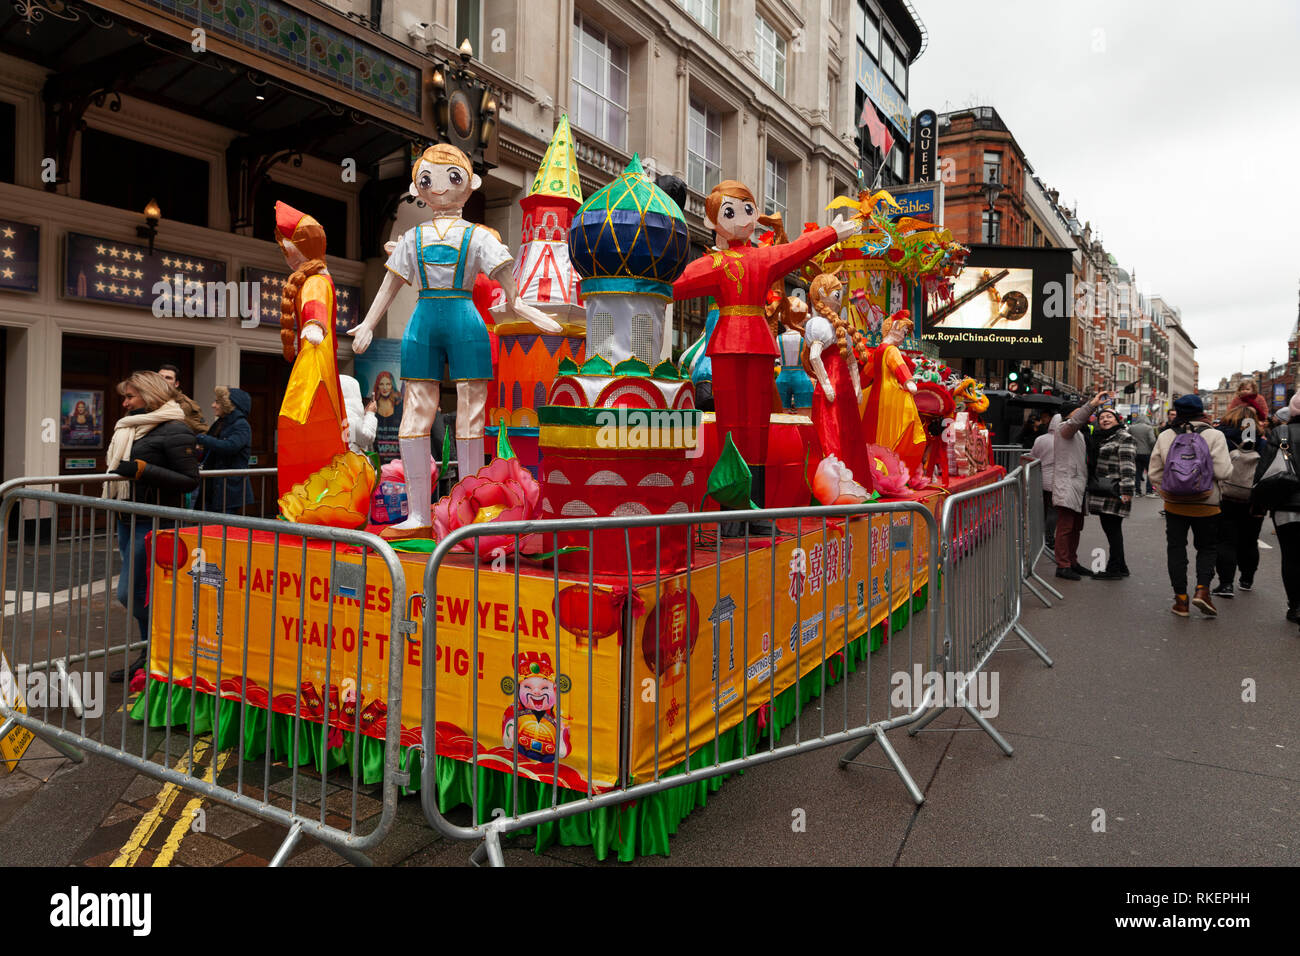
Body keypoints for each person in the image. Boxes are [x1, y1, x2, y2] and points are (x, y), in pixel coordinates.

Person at [351, 143, 561, 540]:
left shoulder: (480, 238)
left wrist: (530, 314)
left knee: (471, 415)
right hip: (424, 323)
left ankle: (468, 512)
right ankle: (418, 514)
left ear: (469, 185)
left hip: (465, 322)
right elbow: (389, 284)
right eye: (428, 178)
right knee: (414, 415)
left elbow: (510, 295)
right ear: (418, 187)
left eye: (452, 178)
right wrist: (367, 324)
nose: (441, 188)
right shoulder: (411, 238)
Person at [672, 179, 857, 518]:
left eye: (747, 209)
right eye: (731, 212)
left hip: (750, 345)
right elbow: (673, 284)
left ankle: (752, 511)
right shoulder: (715, 264)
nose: (743, 218)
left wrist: (831, 233)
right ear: (712, 223)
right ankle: (732, 511)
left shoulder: (759, 259)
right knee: (733, 426)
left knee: (757, 428)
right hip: (733, 346)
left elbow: (797, 249)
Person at [104, 371, 200, 683]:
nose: (125, 402)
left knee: (130, 593)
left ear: (150, 395)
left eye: (130, 396)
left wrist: (144, 470)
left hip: (155, 520)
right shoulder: (131, 428)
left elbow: (189, 479)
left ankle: (157, 652)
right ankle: (150, 656)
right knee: (142, 592)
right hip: (128, 517)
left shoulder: (175, 428)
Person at [1149, 394, 1232, 617]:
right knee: (1206, 548)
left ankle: (1181, 600)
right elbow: (1224, 471)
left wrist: (1167, 491)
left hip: (1175, 504)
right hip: (1207, 503)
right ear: (1201, 411)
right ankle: (1202, 591)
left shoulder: (1166, 435)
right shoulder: (1214, 435)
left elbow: (1155, 472)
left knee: (1176, 549)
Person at [1250, 391, 1300, 623]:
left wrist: (1258, 504)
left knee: (1290, 557)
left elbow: (1264, 470)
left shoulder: (1281, 433)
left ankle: (1295, 606)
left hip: (1286, 505)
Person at [1053, 391, 1111, 580]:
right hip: (1068, 483)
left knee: (1076, 526)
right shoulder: (1065, 428)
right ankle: (1063, 565)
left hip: (1078, 484)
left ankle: (1072, 561)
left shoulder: (1079, 432)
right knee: (1066, 527)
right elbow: (1076, 421)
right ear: (1072, 415)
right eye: (1079, 412)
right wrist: (1092, 404)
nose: (1084, 416)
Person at [1214, 404, 1265, 598]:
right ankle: (1246, 579)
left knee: (1226, 540)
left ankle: (1226, 584)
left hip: (1226, 495)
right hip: (1254, 498)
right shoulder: (1262, 441)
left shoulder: (1222, 437)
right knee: (1250, 540)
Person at [1086, 407, 1137, 579]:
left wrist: (1127, 491)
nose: (1105, 420)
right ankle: (1121, 566)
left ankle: (1114, 569)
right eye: (1102, 418)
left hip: (1115, 490)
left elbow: (1128, 466)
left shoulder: (1124, 437)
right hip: (1104, 490)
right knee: (1112, 530)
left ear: (1117, 420)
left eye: (1109, 417)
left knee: (1112, 530)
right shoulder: (1101, 438)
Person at [195, 386, 254, 514]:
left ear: (228, 405)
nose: (213, 405)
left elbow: (230, 446)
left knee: (222, 530)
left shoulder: (241, 425)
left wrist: (201, 438)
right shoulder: (221, 423)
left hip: (228, 489)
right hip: (215, 487)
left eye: (217, 402)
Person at [1030, 413, 1057, 550]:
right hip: (1055, 480)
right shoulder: (1064, 440)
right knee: (1053, 511)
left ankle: (1038, 536)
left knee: (1042, 509)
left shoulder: (1041, 439)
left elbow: (1032, 455)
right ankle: (1049, 538)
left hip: (1040, 478)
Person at [158, 363, 208, 435]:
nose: (163, 380)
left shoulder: (185, 405)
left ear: (176, 384)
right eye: (160, 377)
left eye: (168, 378)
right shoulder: (146, 398)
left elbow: (203, 430)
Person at [370, 370, 403, 464]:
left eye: (388, 384)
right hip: (377, 457)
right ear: (377, 386)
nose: (385, 388)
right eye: (381, 384)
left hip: (397, 458)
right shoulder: (372, 407)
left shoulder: (400, 406)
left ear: (392, 385)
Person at [340, 375, 377, 455]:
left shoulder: (339, 413)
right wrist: (370, 413)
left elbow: (353, 436)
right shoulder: (348, 416)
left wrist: (364, 415)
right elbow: (366, 437)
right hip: (352, 464)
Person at [1128, 412, 1157, 496]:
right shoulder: (1148, 428)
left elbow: (1127, 438)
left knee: (1137, 472)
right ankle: (1149, 491)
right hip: (1147, 453)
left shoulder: (1131, 428)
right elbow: (1152, 440)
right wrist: (1153, 448)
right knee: (1150, 472)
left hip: (1135, 452)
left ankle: (1137, 491)